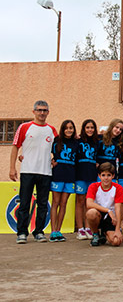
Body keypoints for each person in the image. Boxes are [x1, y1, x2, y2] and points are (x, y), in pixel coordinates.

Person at [10, 100, 57, 244]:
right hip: (28, 171)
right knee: (24, 202)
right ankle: (22, 233)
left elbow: (59, 149)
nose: (42, 113)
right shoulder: (25, 127)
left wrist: (54, 160)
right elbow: (15, 147)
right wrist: (12, 168)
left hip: (45, 172)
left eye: (44, 110)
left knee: (42, 204)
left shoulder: (52, 130)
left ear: (48, 112)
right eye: (39, 110)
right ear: (34, 112)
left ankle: (39, 232)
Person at [49, 120, 78, 242]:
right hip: (58, 174)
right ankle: (53, 231)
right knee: (55, 202)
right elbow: (45, 152)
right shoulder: (56, 141)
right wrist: (51, 161)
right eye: (66, 128)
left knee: (64, 203)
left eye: (71, 128)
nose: (69, 130)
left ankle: (59, 231)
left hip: (70, 176)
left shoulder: (77, 143)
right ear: (62, 129)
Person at [85, 162, 123, 247]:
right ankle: (95, 234)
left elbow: (118, 208)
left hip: (111, 218)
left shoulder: (117, 188)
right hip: (99, 215)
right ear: (99, 176)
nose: (106, 178)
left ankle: (104, 233)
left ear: (113, 176)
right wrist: (108, 210)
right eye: (103, 175)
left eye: (109, 175)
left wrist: (117, 229)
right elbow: (89, 204)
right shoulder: (93, 186)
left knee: (116, 242)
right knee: (91, 213)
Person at [75, 119, 99, 240]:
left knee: (89, 203)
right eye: (87, 127)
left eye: (92, 128)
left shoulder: (96, 142)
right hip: (80, 175)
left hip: (92, 176)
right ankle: (80, 229)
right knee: (80, 202)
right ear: (83, 129)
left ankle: (88, 227)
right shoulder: (78, 141)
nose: (90, 130)